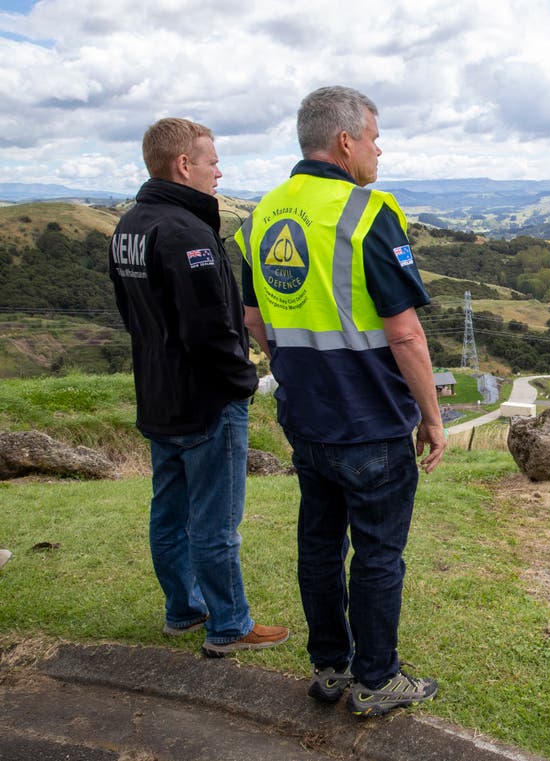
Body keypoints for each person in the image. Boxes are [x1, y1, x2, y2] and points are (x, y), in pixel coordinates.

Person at [236, 86, 446, 717]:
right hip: (372, 421)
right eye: (375, 139)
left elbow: (253, 318)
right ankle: (378, 680)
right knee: (378, 553)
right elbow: (404, 331)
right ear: (346, 141)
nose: (379, 152)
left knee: (321, 547)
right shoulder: (367, 211)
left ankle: (330, 667)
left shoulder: (261, 217)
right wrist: (432, 417)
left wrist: (295, 366)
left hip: (306, 419)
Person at [109, 118, 289, 657]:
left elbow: (133, 316)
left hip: (158, 394)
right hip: (206, 401)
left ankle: (183, 610)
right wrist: (242, 382)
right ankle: (229, 624)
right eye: (212, 161)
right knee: (215, 522)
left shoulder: (130, 226)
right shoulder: (188, 233)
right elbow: (209, 327)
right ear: (184, 165)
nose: (219, 171)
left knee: (169, 513)